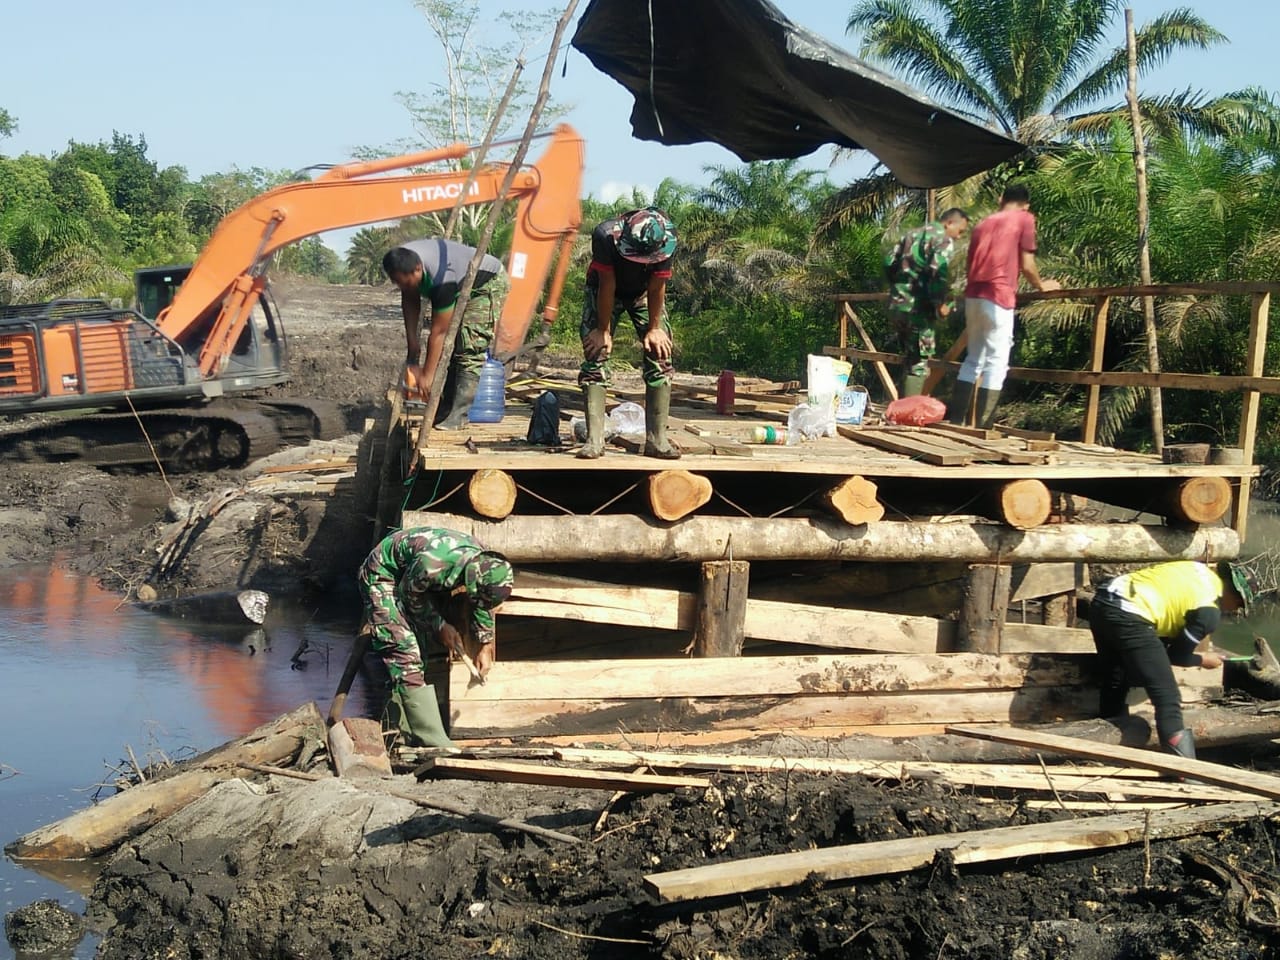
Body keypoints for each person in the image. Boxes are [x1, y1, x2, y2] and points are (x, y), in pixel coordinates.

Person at [357, 527, 514, 748]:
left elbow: (481, 604)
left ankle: (400, 731)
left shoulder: (484, 563)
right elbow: (409, 596)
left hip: (415, 581)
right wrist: (440, 625)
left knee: (420, 652)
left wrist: (485, 643)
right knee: (404, 649)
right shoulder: (433, 563)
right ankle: (433, 741)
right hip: (384, 576)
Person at [1088, 560, 1257, 761]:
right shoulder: (1209, 611)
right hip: (1131, 613)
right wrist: (1203, 659)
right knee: (1167, 698)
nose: (1235, 609)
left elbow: (1169, 607)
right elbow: (1178, 656)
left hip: (1103, 600)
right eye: (1239, 604)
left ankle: (1109, 747)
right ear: (1234, 594)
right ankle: (1183, 770)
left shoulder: (1199, 571)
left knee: (1116, 678)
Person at [947, 184, 1060, 428]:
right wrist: (1042, 285)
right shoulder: (1024, 218)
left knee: (973, 358)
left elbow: (969, 265)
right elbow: (1027, 265)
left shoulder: (982, 223)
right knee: (997, 360)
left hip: (973, 295)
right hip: (998, 296)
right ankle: (983, 426)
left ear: (1001, 199)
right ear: (1026, 205)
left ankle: (956, 422)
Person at [578, 207, 680, 460]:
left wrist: (655, 329)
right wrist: (602, 331)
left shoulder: (667, 236)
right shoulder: (605, 235)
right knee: (596, 352)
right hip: (604, 291)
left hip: (644, 294)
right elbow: (607, 284)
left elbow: (658, 286)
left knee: (661, 353)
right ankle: (594, 441)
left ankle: (657, 440)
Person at [382, 239, 510, 430]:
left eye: (406, 283)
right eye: (398, 283)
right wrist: (413, 349)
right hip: (458, 283)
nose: (403, 287)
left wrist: (427, 374)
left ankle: (459, 414)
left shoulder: (442, 278)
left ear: (418, 269)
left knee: (468, 347)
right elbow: (409, 301)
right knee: (452, 350)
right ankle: (445, 408)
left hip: (486, 284)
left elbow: (439, 332)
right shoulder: (402, 261)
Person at [884, 208, 970, 396]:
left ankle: (902, 408)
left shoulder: (911, 234)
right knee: (920, 363)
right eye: (960, 231)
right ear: (949, 223)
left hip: (898, 304)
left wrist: (898, 287)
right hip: (918, 308)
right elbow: (937, 272)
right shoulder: (943, 239)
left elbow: (889, 261)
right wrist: (939, 304)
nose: (958, 236)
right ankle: (910, 417)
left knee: (909, 357)